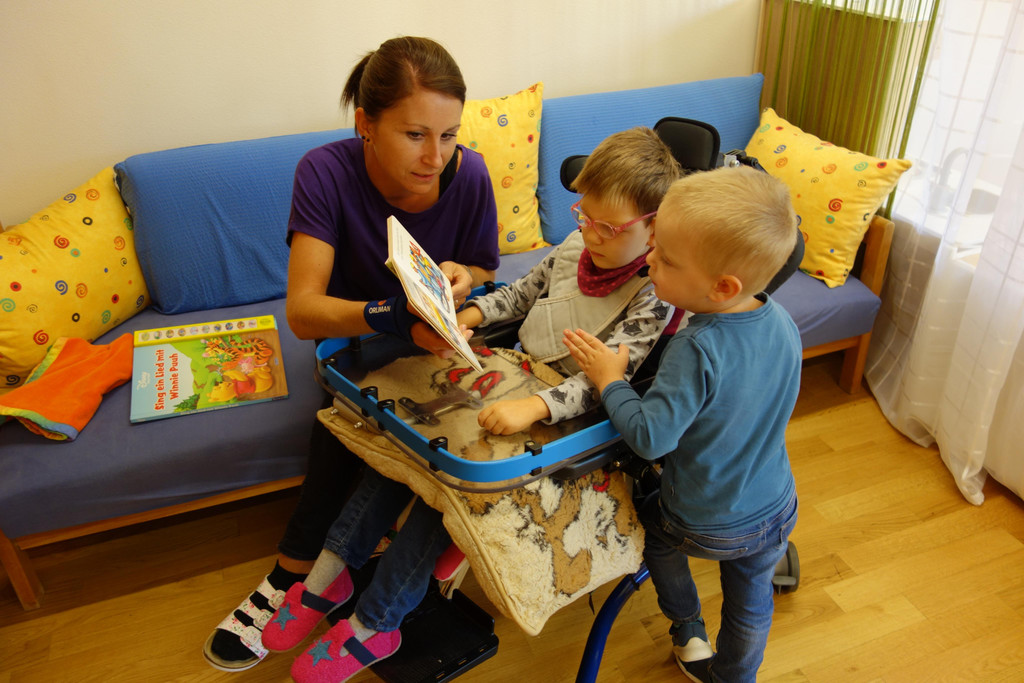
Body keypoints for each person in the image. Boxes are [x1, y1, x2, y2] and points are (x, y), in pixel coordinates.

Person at [259, 126, 681, 682]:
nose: (590, 232)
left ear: (654, 228)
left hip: (561, 419)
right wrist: (468, 317)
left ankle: (377, 622)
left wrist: (533, 410)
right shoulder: (575, 247)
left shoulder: (655, 294)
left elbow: (606, 381)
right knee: (404, 458)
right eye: (584, 215)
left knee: (448, 492)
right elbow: (519, 294)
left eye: (609, 227)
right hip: (509, 376)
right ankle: (330, 573)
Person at [202, 35, 500, 673]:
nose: (436, 157)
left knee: (476, 423)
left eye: (449, 136)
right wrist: (391, 314)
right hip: (356, 338)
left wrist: (461, 276)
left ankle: (357, 571)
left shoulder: (469, 174)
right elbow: (303, 311)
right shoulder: (325, 172)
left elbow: (484, 268)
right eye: (415, 135)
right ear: (366, 123)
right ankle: (294, 573)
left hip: (439, 339)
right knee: (345, 426)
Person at [563, 165, 801, 683]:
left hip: (705, 518)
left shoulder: (694, 348)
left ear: (722, 286)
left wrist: (610, 380)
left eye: (666, 258)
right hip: (776, 504)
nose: (649, 259)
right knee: (750, 606)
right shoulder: (780, 319)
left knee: (653, 529)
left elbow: (650, 438)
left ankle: (688, 628)